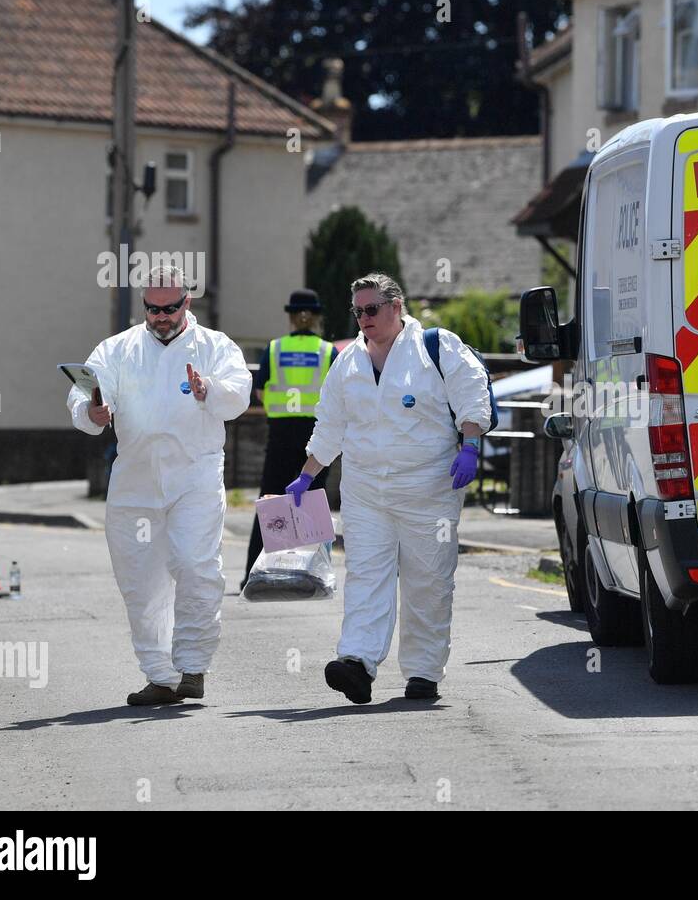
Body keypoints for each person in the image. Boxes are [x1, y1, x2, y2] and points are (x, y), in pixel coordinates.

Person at [290, 272, 490, 703]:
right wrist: (308, 475)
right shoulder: (347, 363)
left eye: (372, 309)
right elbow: (330, 425)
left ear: (396, 307)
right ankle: (357, 662)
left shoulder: (435, 348)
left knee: (428, 582)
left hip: (429, 489)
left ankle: (422, 671)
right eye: (358, 311)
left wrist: (470, 445)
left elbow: (472, 393)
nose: (364, 318)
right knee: (364, 576)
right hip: (366, 493)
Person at [67, 266, 252, 706]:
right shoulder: (117, 349)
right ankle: (160, 676)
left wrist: (207, 388)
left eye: (170, 308)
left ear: (187, 303)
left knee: (195, 565)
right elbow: (85, 391)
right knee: (140, 580)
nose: (161, 317)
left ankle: (192, 665)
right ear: (144, 307)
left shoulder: (214, 346)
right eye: (153, 309)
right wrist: (89, 414)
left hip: (195, 473)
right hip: (135, 479)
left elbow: (239, 392)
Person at [241, 289, 338, 589]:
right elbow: (337, 394)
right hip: (316, 435)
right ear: (317, 317)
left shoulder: (274, 349)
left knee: (271, 500)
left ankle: (255, 574)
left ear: (291, 317)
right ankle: (312, 575)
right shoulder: (328, 351)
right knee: (310, 505)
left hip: (281, 432)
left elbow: (259, 392)